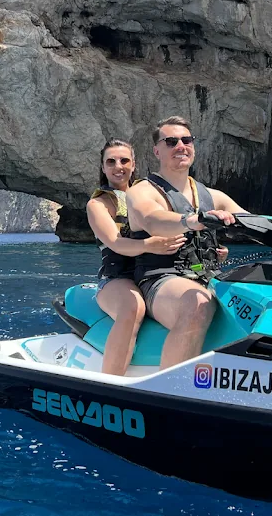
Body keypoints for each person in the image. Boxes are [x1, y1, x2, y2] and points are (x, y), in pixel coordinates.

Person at [126, 116, 247, 368]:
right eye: (171, 142)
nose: (180, 146)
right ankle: (170, 387)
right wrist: (191, 221)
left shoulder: (212, 196)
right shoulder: (141, 191)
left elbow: (256, 220)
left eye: (186, 140)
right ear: (157, 151)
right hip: (160, 279)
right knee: (197, 303)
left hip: (209, 276)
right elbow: (152, 219)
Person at [86, 139, 186, 375]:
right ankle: (110, 382)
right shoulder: (98, 204)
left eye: (124, 160)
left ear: (133, 164)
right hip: (118, 278)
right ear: (103, 167)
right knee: (133, 307)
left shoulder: (148, 196)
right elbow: (115, 243)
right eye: (111, 162)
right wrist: (149, 245)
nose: (118, 166)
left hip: (155, 274)